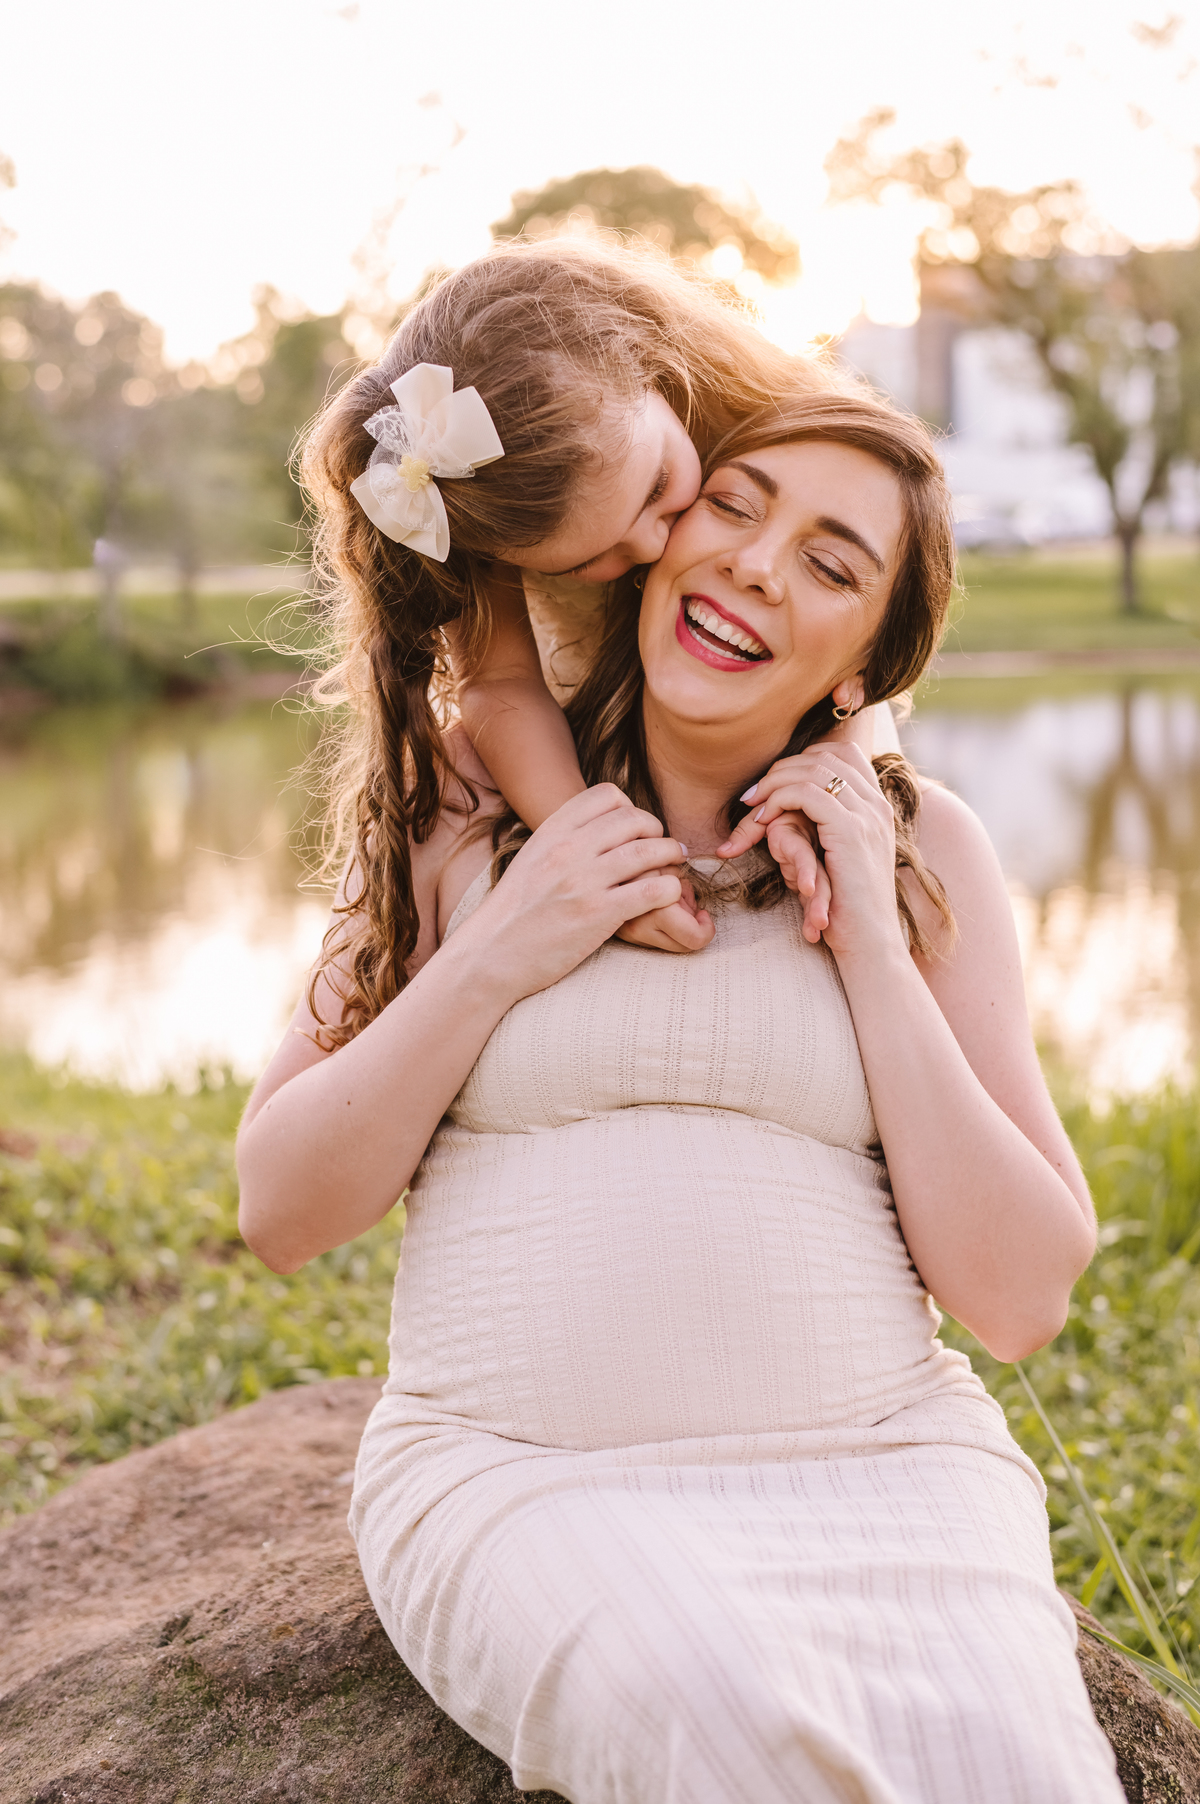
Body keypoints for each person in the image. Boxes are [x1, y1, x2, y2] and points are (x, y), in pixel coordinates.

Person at [237, 385, 1123, 1802]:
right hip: (530, 1481)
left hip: (888, 1469)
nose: (759, 566)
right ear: (651, 544)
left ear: (863, 667)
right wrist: (502, 949)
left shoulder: (923, 847)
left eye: (831, 564)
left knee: (1018, 1767)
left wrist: (871, 941)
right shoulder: (465, 800)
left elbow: (1021, 1296)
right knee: (722, 1724)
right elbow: (282, 1206)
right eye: (732, 507)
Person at [299, 237, 899, 969]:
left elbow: (860, 628)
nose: (652, 545)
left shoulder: (778, 407)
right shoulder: (477, 494)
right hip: (592, 701)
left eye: (658, 489)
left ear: (652, 364)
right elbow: (499, 681)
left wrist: (830, 762)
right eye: (589, 560)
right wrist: (607, 861)